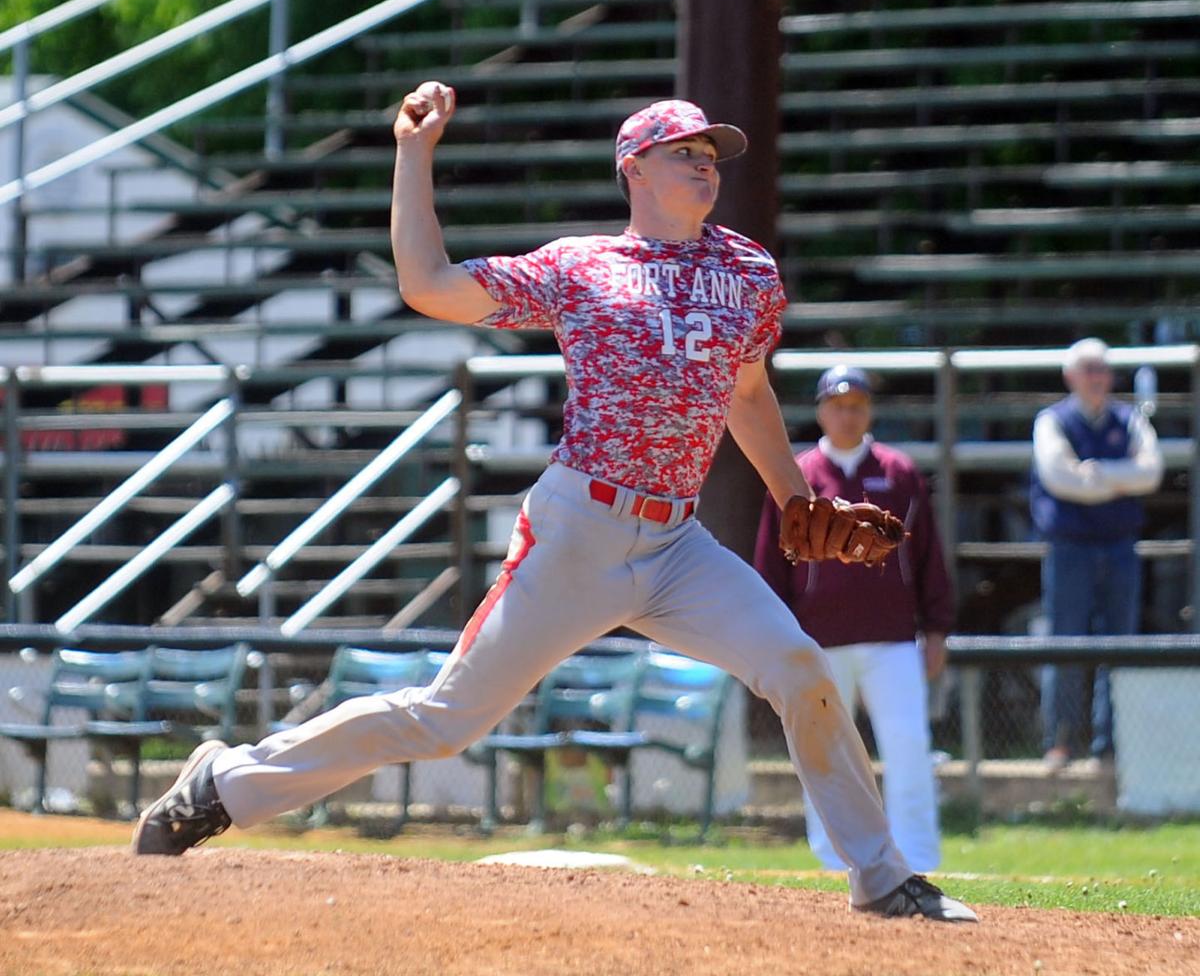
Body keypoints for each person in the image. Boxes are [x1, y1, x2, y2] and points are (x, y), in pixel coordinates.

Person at [132, 84, 976, 922]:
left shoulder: (747, 272)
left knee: (800, 668)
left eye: (710, 152)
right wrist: (413, 152)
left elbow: (746, 394)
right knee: (444, 719)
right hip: (579, 529)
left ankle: (883, 875)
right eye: (683, 150)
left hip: (678, 544)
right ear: (633, 168)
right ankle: (224, 782)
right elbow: (429, 283)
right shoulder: (580, 267)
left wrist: (798, 496)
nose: (703, 163)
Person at [753, 365, 954, 873]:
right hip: (818, 638)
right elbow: (770, 561)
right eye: (839, 404)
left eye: (858, 404)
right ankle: (833, 859)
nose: (848, 414)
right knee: (824, 753)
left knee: (908, 745)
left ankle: (919, 858)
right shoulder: (797, 475)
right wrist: (770, 634)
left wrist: (936, 629)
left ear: (869, 410)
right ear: (821, 410)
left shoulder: (900, 472)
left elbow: (928, 555)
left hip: (891, 637)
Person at [1031, 337, 1163, 766]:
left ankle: (1110, 746)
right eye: (1087, 369)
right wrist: (1120, 480)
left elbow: (1151, 474)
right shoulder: (1052, 420)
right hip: (1069, 549)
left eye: (1102, 369)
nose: (1096, 377)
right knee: (1065, 643)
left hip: (1120, 546)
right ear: (1070, 376)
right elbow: (1059, 479)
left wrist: (1096, 474)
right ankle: (1061, 741)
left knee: (1119, 645)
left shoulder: (1130, 419)